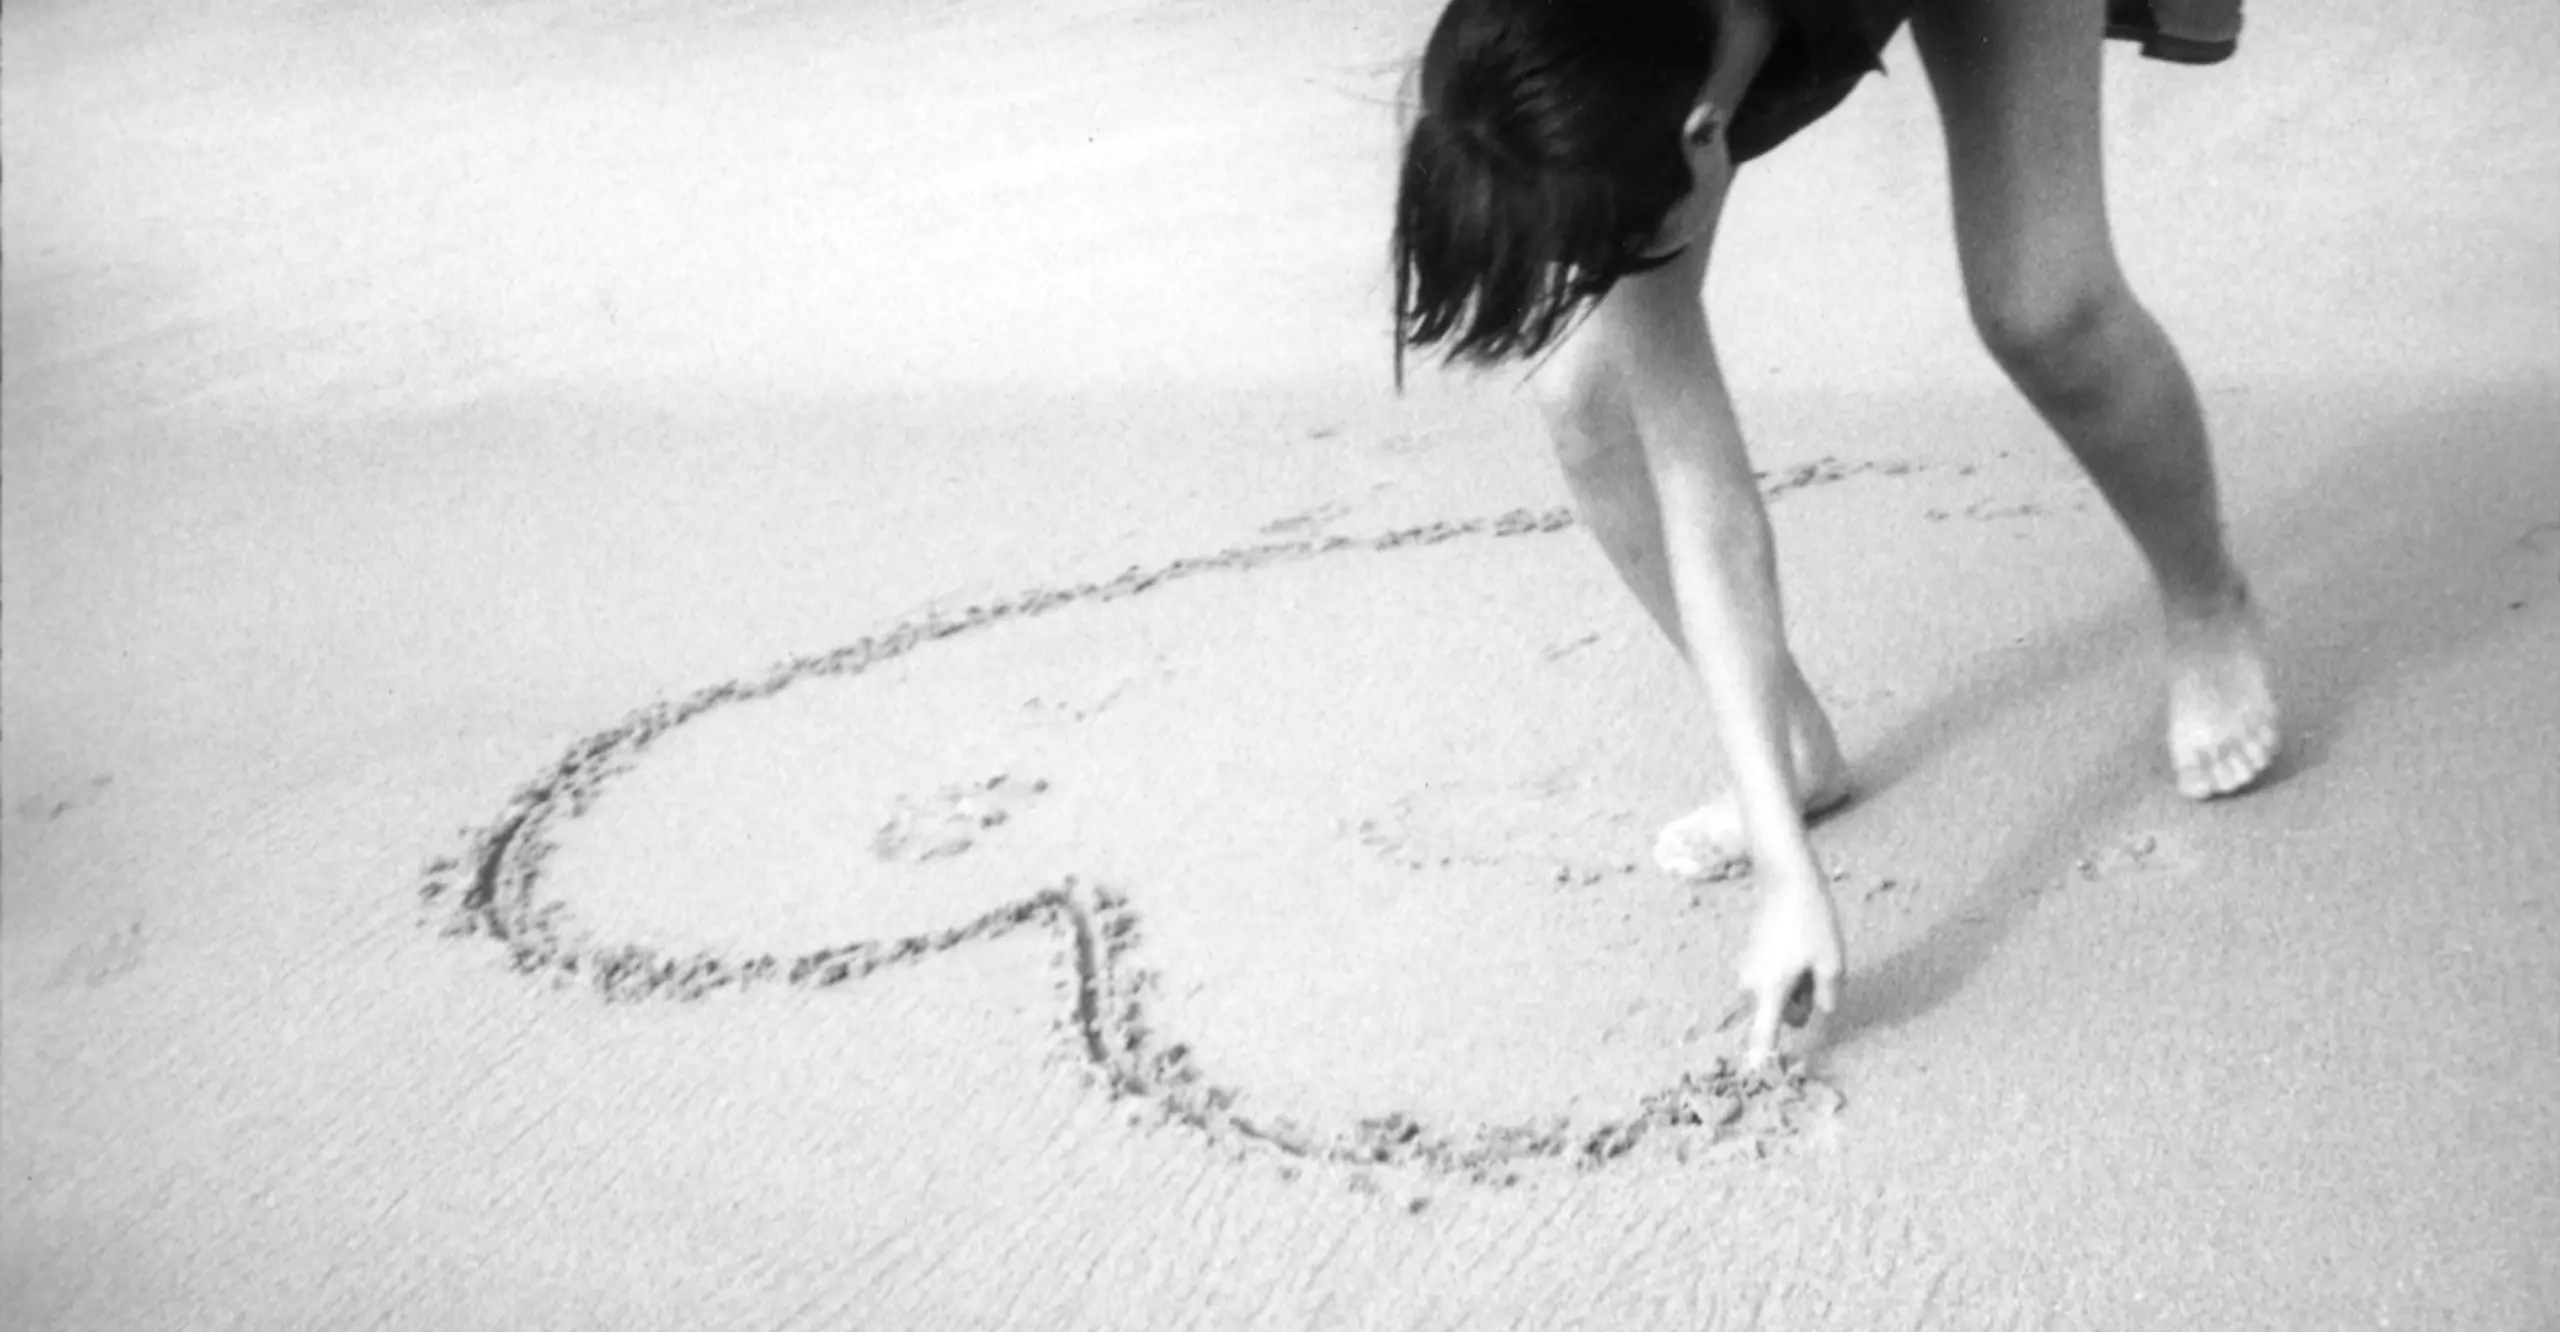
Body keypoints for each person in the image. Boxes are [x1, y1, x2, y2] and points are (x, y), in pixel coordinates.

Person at [1390, 0, 2275, 1067]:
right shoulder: (1563, 52)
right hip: (1666, 45)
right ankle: (1792, 747)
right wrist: (1782, 862)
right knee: (1588, 398)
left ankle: (2204, 602)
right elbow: (1697, 484)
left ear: (1706, 128)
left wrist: (1784, 880)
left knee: (2043, 307)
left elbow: (1714, 520)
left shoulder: (1680, 109)